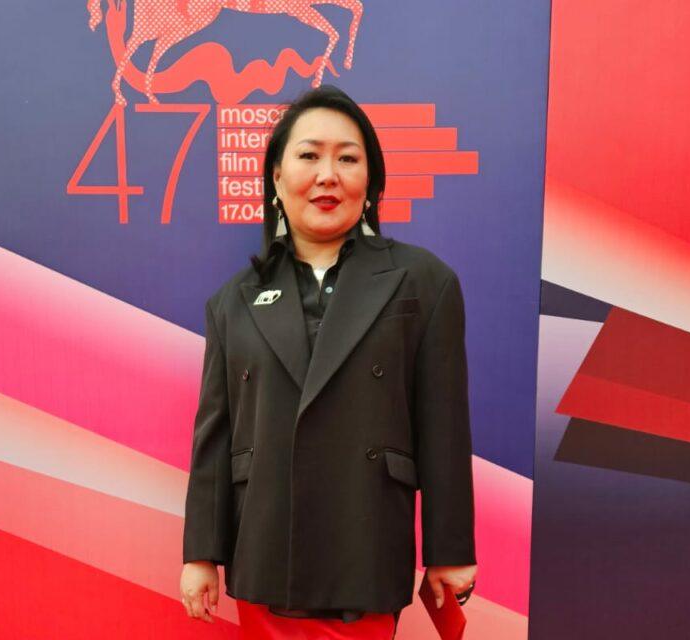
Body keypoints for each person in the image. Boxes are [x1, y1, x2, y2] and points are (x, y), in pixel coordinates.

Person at [180, 86, 477, 639]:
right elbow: (216, 438)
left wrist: (449, 549)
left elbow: (444, 428)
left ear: (371, 180)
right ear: (276, 177)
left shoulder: (424, 283)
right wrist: (200, 553)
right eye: (309, 155)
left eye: (347, 158)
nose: (327, 175)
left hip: (364, 545)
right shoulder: (233, 301)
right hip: (267, 552)